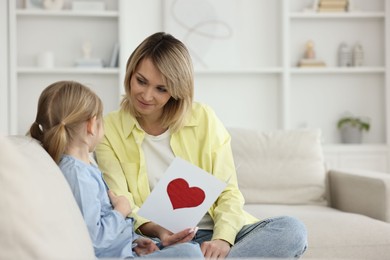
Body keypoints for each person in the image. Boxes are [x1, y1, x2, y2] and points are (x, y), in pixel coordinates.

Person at [95, 32, 308, 259]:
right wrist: (160, 231)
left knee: (292, 231)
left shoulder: (203, 118)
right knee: (187, 254)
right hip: (160, 240)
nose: (147, 95)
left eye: (161, 89)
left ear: (177, 91)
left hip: (217, 232)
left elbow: (228, 190)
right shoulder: (109, 129)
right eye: (141, 81)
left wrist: (223, 239)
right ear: (130, 74)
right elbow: (122, 201)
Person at [28, 80, 203, 259]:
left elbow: (99, 222)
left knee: (189, 249)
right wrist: (121, 209)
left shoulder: (82, 167)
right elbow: (94, 239)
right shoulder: (78, 176)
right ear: (91, 125)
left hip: (124, 250)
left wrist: (134, 242)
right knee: (190, 253)